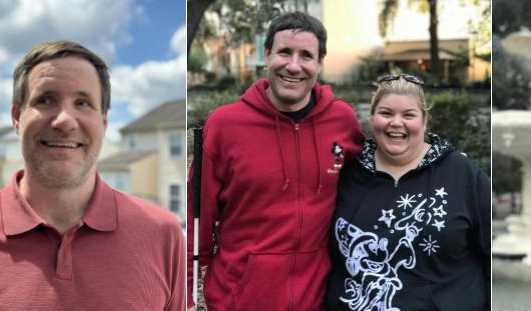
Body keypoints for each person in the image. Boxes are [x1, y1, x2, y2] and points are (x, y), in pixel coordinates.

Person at [0, 40, 185, 310]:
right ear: (16, 117)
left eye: (82, 103)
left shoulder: (163, 235)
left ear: (104, 121)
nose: (64, 120)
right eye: (45, 100)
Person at [188, 12, 365, 311]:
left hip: (317, 298)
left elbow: (371, 182)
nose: (294, 66)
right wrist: (185, 292)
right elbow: (197, 216)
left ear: (320, 63)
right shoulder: (225, 125)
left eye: (306, 56)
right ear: (267, 54)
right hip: (240, 299)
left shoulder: (341, 120)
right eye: (284, 52)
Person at [324, 74, 491, 310]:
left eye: (408, 115)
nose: (396, 123)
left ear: (424, 121)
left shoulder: (463, 175)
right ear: (372, 118)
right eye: (386, 113)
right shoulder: (347, 173)